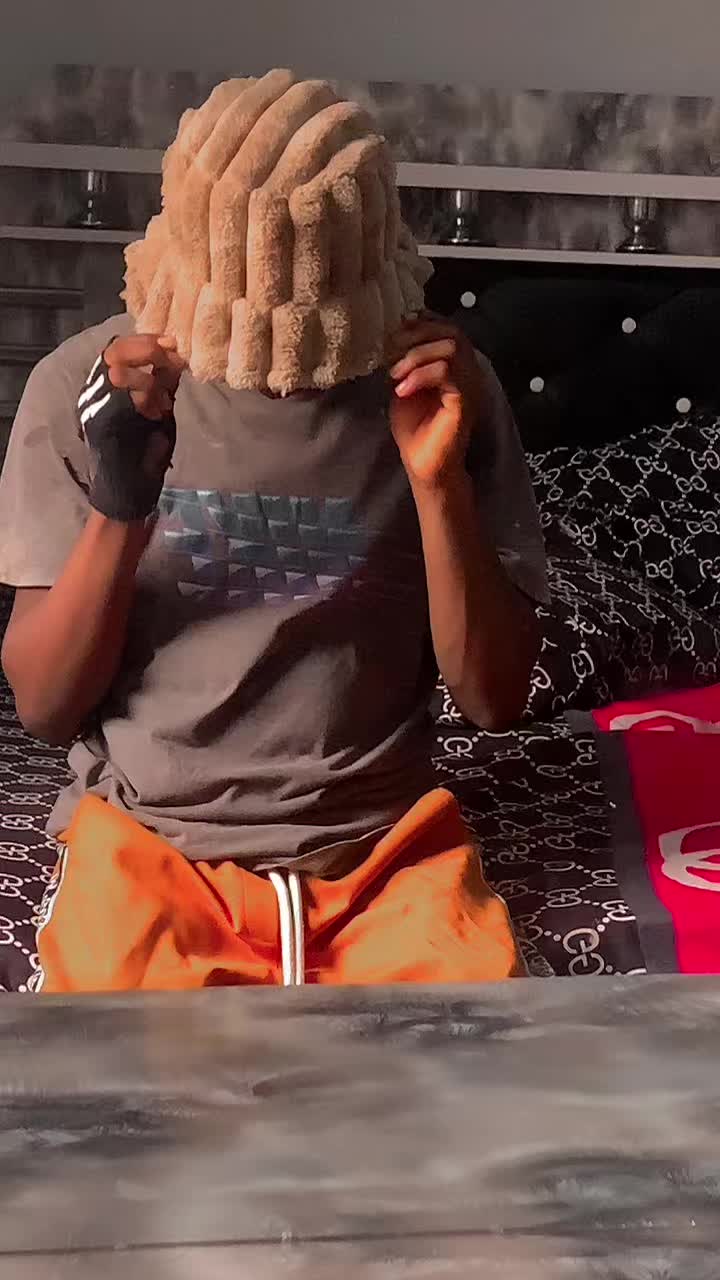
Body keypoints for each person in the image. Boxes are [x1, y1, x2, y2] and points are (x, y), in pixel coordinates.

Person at [0, 70, 546, 992]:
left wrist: (437, 483)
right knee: (107, 1080)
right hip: (150, 845)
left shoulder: (442, 385)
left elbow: (493, 701)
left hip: (386, 852)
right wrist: (121, 501)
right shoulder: (87, 388)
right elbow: (46, 708)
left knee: (478, 1073)